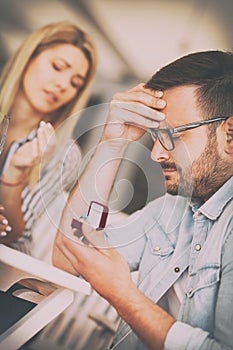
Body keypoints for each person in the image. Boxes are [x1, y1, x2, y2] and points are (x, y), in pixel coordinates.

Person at [53, 49, 233, 350]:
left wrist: (123, 295)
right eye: (156, 137)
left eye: (173, 136)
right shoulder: (171, 210)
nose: (156, 154)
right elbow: (69, 256)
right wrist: (113, 142)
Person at [0, 21, 97, 254]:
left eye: (76, 84)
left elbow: (14, 234)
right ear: (29, 56)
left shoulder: (65, 153)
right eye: (57, 66)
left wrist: (15, 173)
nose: (63, 84)